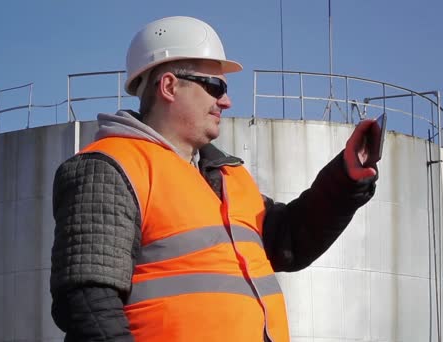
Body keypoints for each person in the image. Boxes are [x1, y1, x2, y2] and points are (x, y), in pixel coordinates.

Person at [50, 16, 378, 342]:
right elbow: (89, 302)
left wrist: (346, 178)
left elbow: (289, 241)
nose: (226, 100)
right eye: (215, 86)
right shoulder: (109, 167)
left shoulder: (227, 177)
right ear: (169, 86)